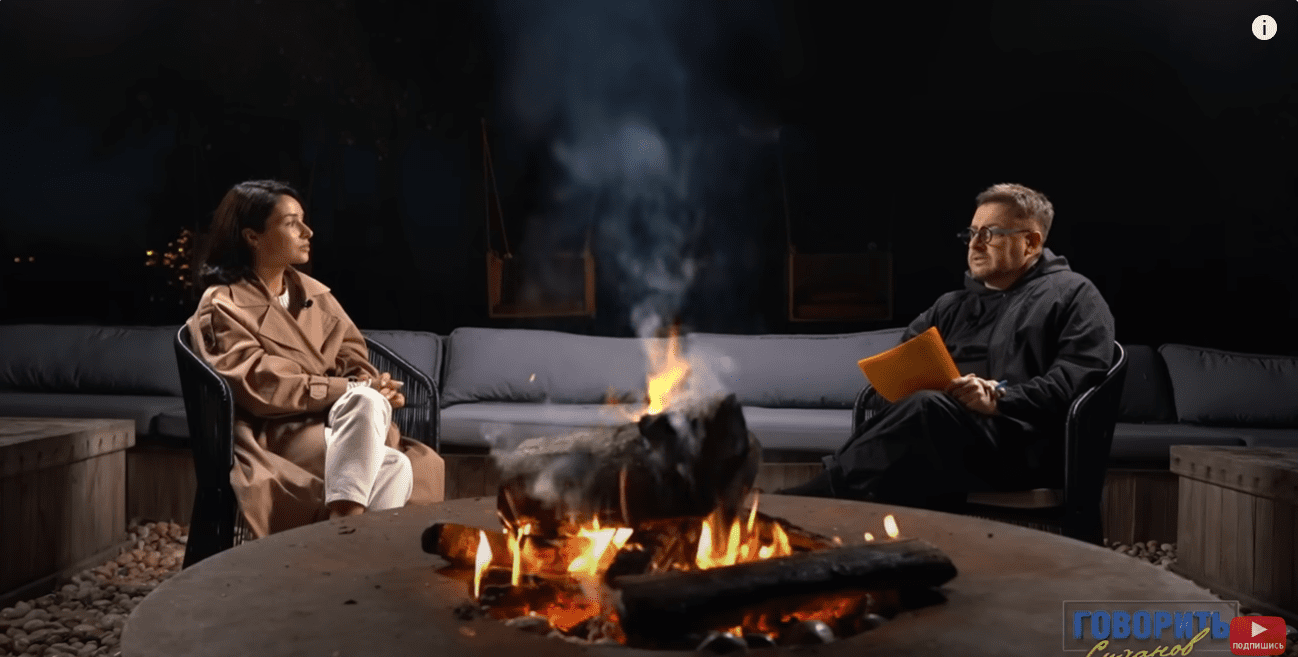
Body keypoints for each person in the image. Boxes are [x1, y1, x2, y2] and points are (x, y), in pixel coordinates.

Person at [780, 183, 1116, 509]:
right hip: (943, 446)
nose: (975, 245)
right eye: (972, 233)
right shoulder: (950, 307)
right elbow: (894, 380)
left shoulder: (1074, 295)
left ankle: (812, 501)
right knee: (915, 423)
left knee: (925, 410)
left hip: (1024, 449)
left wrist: (999, 399)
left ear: (1030, 242)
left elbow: (1075, 381)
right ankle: (832, 513)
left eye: (990, 234)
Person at [187, 179, 444, 538]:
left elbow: (353, 354)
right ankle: (345, 539)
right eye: (291, 223)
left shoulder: (315, 295)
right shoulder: (224, 305)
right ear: (253, 237)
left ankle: (343, 545)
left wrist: (371, 383)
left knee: (377, 421)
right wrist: (351, 388)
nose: (307, 232)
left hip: (340, 423)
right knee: (393, 462)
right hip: (274, 433)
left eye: (304, 221)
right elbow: (259, 382)